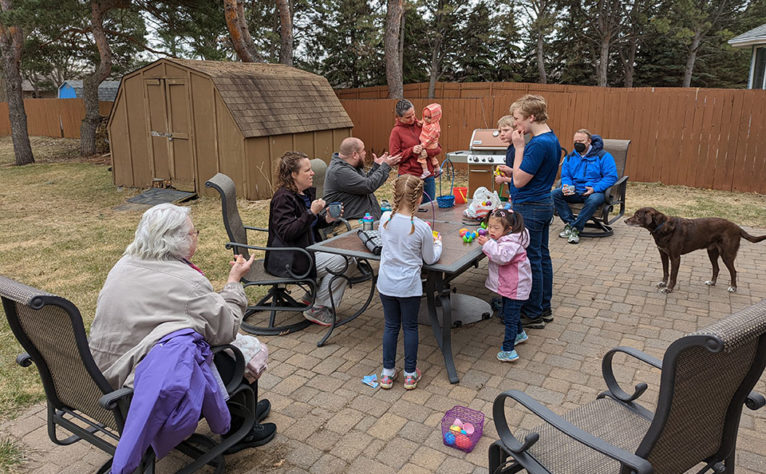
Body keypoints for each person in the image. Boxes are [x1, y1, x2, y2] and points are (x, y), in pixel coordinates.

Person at [89, 203, 275, 455]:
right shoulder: (189, 283)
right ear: (177, 241)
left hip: (102, 377)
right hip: (142, 389)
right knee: (240, 349)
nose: (196, 236)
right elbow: (226, 328)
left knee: (204, 344)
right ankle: (241, 429)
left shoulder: (123, 265)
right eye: (193, 232)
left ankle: (245, 410)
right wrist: (233, 282)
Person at [265, 151, 357, 326]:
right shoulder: (282, 198)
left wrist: (327, 219)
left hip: (305, 252)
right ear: (293, 174)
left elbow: (307, 224)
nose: (312, 173)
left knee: (345, 254)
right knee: (346, 261)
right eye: (307, 170)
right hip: (290, 259)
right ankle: (320, 307)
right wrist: (311, 212)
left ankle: (312, 296)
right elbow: (288, 232)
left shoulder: (302, 194)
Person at [377, 175, 442, 390]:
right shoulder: (421, 227)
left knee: (390, 326)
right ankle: (410, 374)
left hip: (386, 284)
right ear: (418, 199)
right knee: (410, 327)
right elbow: (430, 259)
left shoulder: (385, 218)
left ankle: (387, 373)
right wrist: (438, 243)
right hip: (409, 286)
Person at [508, 94, 561, 330]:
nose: (515, 124)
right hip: (542, 203)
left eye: (517, 118)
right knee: (541, 257)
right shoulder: (552, 139)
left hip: (530, 207)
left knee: (531, 261)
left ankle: (532, 313)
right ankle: (544, 308)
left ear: (531, 117)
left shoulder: (537, 144)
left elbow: (519, 181)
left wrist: (519, 148)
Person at [476, 209, 532, 363]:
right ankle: (520, 335)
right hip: (511, 286)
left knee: (510, 318)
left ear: (508, 230)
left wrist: (488, 244)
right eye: (490, 226)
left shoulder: (511, 244)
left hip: (515, 287)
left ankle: (508, 350)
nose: (491, 230)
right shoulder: (509, 238)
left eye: (496, 228)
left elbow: (502, 257)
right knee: (510, 312)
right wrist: (492, 241)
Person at [552, 129, 618, 244]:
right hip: (576, 190)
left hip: (595, 191)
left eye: (581, 141)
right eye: (575, 141)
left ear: (589, 141)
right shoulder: (570, 157)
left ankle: (575, 229)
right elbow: (566, 175)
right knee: (554, 194)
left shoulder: (603, 156)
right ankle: (570, 223)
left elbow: (611, 177)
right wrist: (568, 186)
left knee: (593, 200)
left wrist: (595, 188)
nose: (578, 143)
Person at [323, 137, 401, 220]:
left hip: (360, 217)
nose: (365, 153)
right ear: (354, 155)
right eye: (363, 150)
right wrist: (385, 166)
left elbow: (362, 182)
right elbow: (367, 186)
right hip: (347, 222)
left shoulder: (351, 165)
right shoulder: (339, 171)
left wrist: (377, 167)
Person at [389, 99, 442, 203]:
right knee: (409, 210)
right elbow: (394, 158)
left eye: (413, 114)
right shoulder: (396, 132)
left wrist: (428, 153)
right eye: (408, 117)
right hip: (408, 177)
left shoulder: (422, 125)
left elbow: (438, 148)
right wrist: (411, 150)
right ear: (399, 118)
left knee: (429, 208)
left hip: (427, 176)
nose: (413, 118)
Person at [417, 103, 443, 179]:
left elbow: (430, 139)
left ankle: (425, 171)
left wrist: (423, 145)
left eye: (429, 117)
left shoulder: (434, 128)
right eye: (425, 117)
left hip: (430, 144)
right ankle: (438, 169)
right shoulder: (427, 121)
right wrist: (420, 122)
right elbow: (423, 121)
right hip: (429, 143)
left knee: (422, 156)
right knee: (432, 157)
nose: (426, 119)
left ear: (435, 117)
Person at [494, 114, 516, 198]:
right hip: (513, 193)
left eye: (506, 130)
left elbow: (522, 176)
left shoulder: (517, 149)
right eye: (500, 131)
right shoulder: (510, 148)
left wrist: (504, 179)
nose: (502, 134)